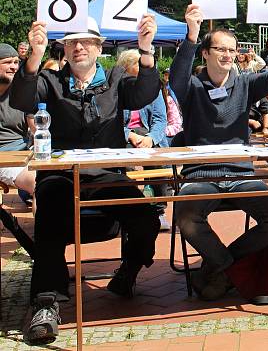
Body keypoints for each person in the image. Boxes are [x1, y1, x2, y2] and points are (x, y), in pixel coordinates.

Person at [12, 17, 161, 344]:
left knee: (148, 218)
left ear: (98, 46)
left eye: (86, 41)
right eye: (71, 41)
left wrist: (146, 49)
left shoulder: (116, 79)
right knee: (50, 210)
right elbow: (20, 100)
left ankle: (128, 271)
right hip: (61, 177)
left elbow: (144, 95)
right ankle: (47, 302)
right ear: (63, 48)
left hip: (106, 176)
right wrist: (34, 56)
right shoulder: (49, 80)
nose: (78, 47)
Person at [170, 3, 268, 301]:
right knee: (185, 217)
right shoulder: (192, 87)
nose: (228, 55)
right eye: (221, 49)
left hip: (240, 172)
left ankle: (220, 267)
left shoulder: (245, 83)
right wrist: (192, 34)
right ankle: (228, 268)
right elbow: (175, 80)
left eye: (232, 50)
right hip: (200, 173)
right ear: (206, 53)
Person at [117, 50, 171, 230]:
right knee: (126, 164)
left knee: (155, 160)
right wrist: (129, 135)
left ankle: (159, 210)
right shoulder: (115, 88)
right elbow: (109, 120)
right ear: (126, 67)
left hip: (147, 135)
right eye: (140, 65)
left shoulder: (152, 88)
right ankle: (130, 209)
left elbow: (160, 119)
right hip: (122, 136)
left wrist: (151, 138)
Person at [0, 43, 36, 255]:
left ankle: (47, 245)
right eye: (7, 63)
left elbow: (35, 125)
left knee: (53, 180)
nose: (14, 67)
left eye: (16, 62)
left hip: (24, 152)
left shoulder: (21, 92)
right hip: (3, 157)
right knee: (38, 182)